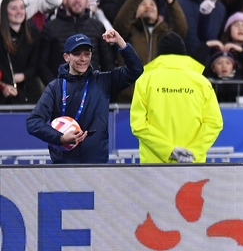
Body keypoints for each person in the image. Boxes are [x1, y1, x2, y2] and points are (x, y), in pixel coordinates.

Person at [26, 30, 143, 163]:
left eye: (87, 54)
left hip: (96, 164)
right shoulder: (55, 87)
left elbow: (136, 70)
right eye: (77, 54)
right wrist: (60, 137)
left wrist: (121, 43)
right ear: (66, 57)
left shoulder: (103, 81)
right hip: (63, 166)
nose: (83, 59)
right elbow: (33, 122)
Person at [130, 32, 223, 163]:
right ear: (183, 54)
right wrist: (193, 151)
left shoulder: (145, 81)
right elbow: (214, 123)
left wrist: (169, 151)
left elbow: (139, 125)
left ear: (159, 55)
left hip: (154, 165)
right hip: (193, 164)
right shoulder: (202, 82)